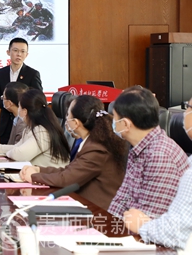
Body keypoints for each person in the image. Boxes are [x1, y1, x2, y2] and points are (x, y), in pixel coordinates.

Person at [19, 95, 128, 210]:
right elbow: (70, 170)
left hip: (98, 211)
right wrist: (39, 170)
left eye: (68, 115)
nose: (66, 118)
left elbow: (67, 179)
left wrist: (34, 177)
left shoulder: (97, 149)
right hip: (84, 203)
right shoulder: (92, 141)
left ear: (76, 123)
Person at [108, 86, 189, 219]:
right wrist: (107, 224)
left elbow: (146, 219)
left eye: (114, 119)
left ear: (126, 124)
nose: (113, 123)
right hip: (130, 224)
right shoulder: (138, 148)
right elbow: (122, 197)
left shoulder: (160, 156)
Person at [123, 98, 192, 250]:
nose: (184, 113)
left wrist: (143, 224)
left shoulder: (161, 153)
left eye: (188, 107)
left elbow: (175, 232)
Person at [0, 89, 70, 168]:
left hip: (49, 178)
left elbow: (19, 154)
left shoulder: (42, 131)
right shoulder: (30, 128)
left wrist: (7, 153)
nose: (18, 109)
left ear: (25, 111)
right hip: (39, 175)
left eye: (19, 106)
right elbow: (17, 147)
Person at [0, 37, 43, 144]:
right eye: (15, 50)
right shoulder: (0, 73)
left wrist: (19, 108)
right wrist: (7, 105)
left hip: (25, 123)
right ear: (8, 52)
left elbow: (38, 97)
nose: (19, 54)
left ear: (26, 54)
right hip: (5, 124)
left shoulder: (33, 74)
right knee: (4, 151)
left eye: (22, 51)